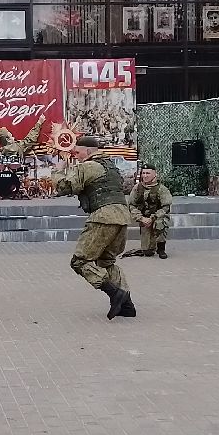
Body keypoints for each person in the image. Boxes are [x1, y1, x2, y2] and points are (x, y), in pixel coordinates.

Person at [56, 135, 135, 320]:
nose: (75, 155)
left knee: (79, 261)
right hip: (122, 217)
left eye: (77, 152)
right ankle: (127, 306)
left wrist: (58, 170)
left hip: (103, 218)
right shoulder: (111, 166)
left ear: (88, 151)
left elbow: (63, 187)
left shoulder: (89, 166)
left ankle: (114, 293)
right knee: (106, 261)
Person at [126, 164, 173, 259]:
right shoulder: (137, 188)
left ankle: (161, 248)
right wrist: (141, 218)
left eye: (148, 173)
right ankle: (150, 246)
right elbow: (131, 205)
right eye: (143, 173)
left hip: (157, 217)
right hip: (144, 219)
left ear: (154, 174)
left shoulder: (162, 189)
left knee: (160, 222)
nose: (145, 176)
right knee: (147, 252)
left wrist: (153, 218)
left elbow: (166, 207)